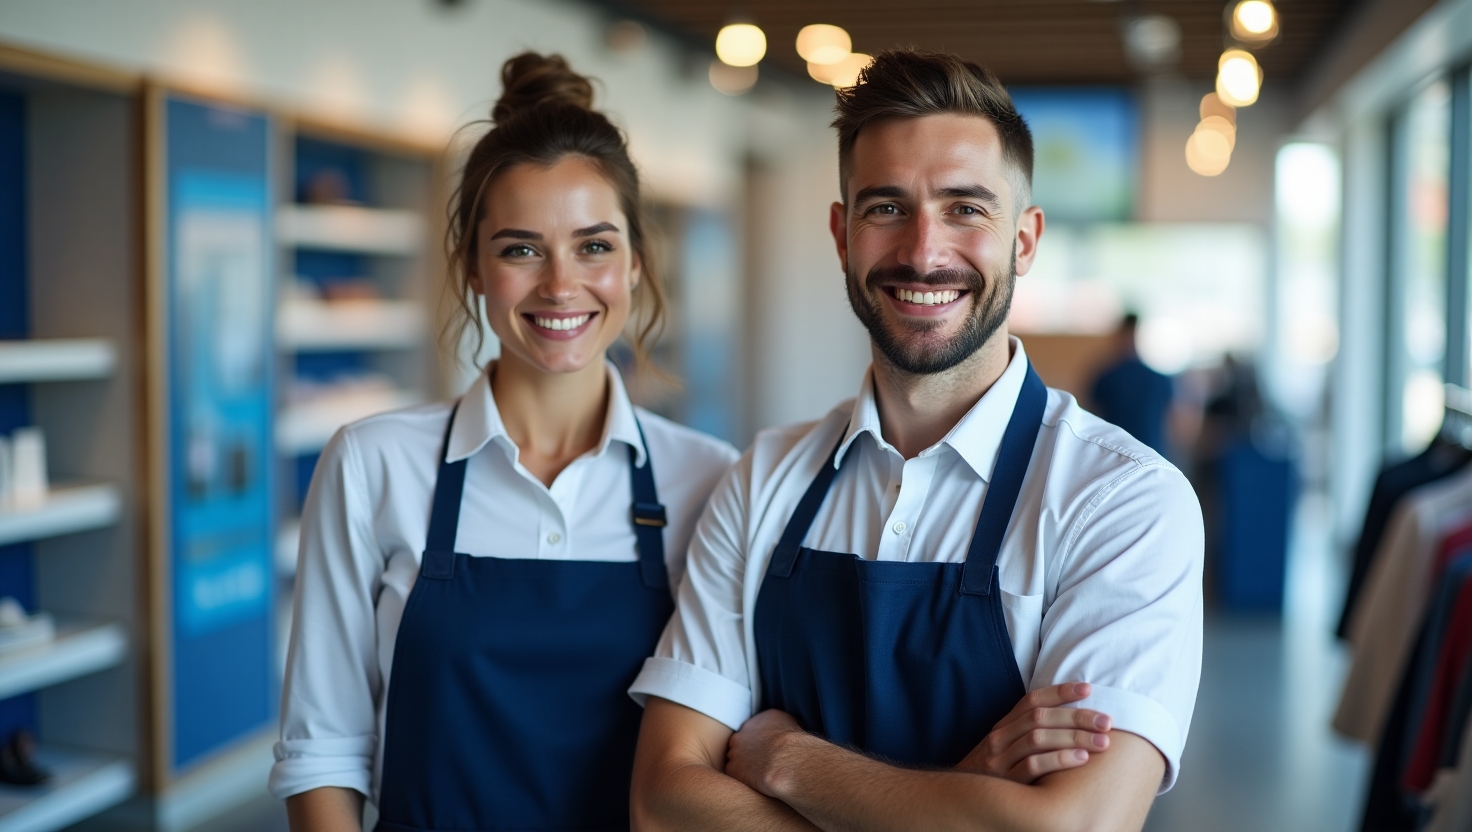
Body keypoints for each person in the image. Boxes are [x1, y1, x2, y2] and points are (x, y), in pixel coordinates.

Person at [629, 49, 1204, 831]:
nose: (924, 252)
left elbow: (1076, 826)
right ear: (842, 235)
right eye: (886, 208)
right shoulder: (765, 478)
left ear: (1024, 240)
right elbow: (663, 800)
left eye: (965, 208)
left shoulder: (1123, 502)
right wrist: (963, 797)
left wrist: (790, 761)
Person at [268, 53, 742, 832]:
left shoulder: (710, 481)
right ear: (473, 268)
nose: (560, 285)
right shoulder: (372, 464)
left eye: (594, 246)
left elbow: (718, 753)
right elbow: (321, 751)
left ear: (635, 263)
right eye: (521, 249)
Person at [1089, 313, 1174, 456]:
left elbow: (1093, 418)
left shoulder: (1107, 376)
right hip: (1145, 452)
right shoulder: (1107, 377)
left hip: (1118, 453)